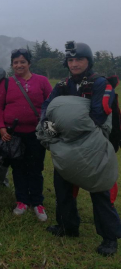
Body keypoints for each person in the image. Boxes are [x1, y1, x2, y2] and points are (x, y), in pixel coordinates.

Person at [41, 41, 121, 256]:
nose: (74, 64)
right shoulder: (62, 85)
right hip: (66, 145)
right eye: (71, 60)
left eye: (79, 60)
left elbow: (98, 115)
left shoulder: (100, 84)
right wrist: (52, 135)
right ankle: (68, 227)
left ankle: (109, 238)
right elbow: (47, 109)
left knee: (100, 190)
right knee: (63, 187)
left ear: (89, 61)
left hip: (92, 146)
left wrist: (68, 130)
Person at [0, 49, 52, 221]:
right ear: (12, 65)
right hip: (14, 135)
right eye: (16, 62)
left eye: (22, 62)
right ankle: (22, 201)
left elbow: (51, 104)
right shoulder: (6, 83)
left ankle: (37, 202)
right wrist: (1, 128)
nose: (19, 65)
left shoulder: (42, 81)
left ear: (29, 63)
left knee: (35, 168)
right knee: (18, 169)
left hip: (36, 134)